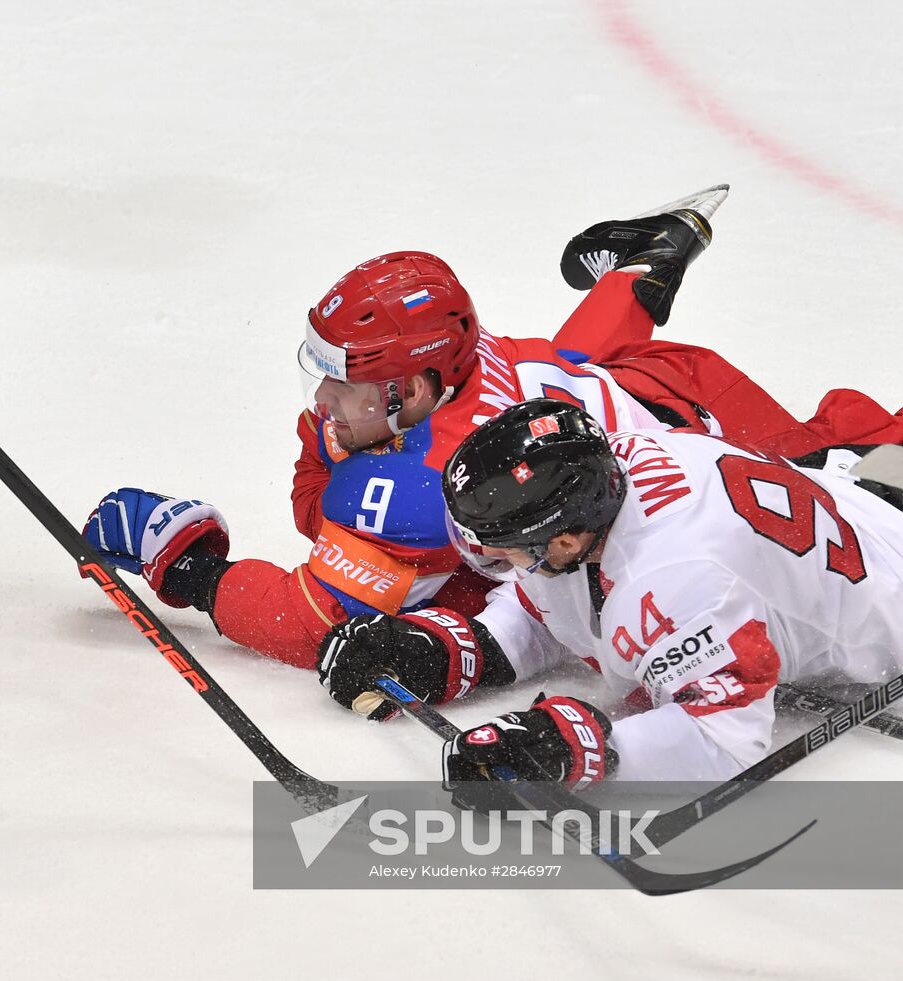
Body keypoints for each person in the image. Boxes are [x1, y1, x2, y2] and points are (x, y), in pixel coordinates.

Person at [84, 185, 903, 668]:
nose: (322, 400)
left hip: (713, 440)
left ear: (410, 389)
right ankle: (650, 259)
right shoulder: (461, 368)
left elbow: (315, 613)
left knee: (868, 473)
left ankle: (651, 263)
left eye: (344, 379)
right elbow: (568, 359)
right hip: (651, 380)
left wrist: (189, 570)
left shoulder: (420, 485)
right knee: (575, 360)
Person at [316, 398, 903, 795]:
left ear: (567, 540)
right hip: (865, 505)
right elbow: (559, 597)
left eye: (501, 550)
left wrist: (582, 748)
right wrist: (456, 647)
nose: (497, 565)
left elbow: (724, 738)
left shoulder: (680, 576)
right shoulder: (600, 474)